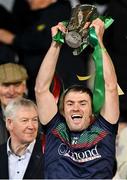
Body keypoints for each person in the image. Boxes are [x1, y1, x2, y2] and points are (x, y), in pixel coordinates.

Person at [35, 18, 119, 179]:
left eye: (82, 103)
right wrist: (56, 43)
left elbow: (110, 88)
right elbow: (41, 89)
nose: (75, 108)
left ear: (91, 111)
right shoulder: (55, 129)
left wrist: (99, 43)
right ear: (63, 110)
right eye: (70, 103)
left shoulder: (104, 129)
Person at [0, 97, 44, 179]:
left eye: (34, 120)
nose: (31, 126)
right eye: (24, 120)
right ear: (9, 123)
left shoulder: (48, 153)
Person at [0, 63, 28, 145]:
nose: (11, 92)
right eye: (6, 85)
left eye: (17, 85)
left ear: (24, 87)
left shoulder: (38, 113)